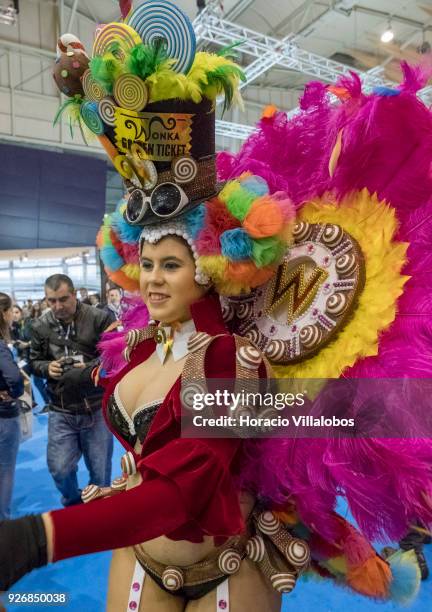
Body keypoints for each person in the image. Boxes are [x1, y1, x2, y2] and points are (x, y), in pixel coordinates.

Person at [2, 2, 432, 607]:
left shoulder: (230, 357)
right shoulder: (139, 346)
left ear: (206, 270)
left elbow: (182, 493)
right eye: (146, 264)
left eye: (171, 265)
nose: (152, 281)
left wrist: (38, 537)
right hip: (139, 559)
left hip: (227, 569)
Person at [29, 274, 113, 507]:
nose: (57, 306)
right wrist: (48, 367)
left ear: (74, 294)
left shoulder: (99, 318)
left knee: (100, 473)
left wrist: (88, 369)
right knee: (60, 469)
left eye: (63, 299)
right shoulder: (39, 326)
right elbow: (33, 362)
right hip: (61, 409)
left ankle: (98, 513)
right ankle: (73, 502)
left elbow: (114, 357)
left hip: (96, 407)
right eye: (51, 301)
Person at [0, 293, 24, 520]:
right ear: (5, 314)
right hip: (4, 416)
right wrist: (15, 393)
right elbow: (15, 379)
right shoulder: (0, 346)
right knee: (5, 469)